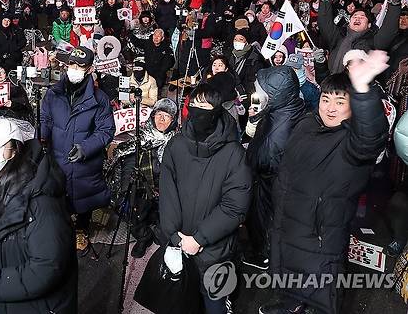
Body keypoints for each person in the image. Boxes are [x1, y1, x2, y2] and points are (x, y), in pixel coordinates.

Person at [260, 51, 390, 314]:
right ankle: (291, 304)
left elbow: (371, 137)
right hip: (288, 224)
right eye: (325, 99)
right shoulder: (307, 124)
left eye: (340, 102)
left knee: (321, 289)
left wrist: (363, 91)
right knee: (288, 274)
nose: (330, 107)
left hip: (320, 237)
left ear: (353, 106)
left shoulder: (352, 142)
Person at [0, 118, 78, 314]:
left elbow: (45, 269)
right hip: (2, 292)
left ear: (16, 149)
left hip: (29, 305)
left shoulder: (41, 201)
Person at [159, 83, 251, 314]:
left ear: (218, 110)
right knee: (181, 298)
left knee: (215, 302)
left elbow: (235, 206)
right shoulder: (176, 145)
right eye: (196, 104)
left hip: (216, 248)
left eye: (207, 105)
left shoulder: (234, 154)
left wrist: (199, 239)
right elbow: (167, 192)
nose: (200, 110)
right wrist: (173, 234)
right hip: (179, 241)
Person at [40, 46, 115, 251]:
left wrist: (86, 147)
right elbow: (45, 118)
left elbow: (106, 130)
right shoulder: (53, 94)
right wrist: (42, 139)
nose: (74, 68)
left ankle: (81, 229)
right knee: (58, 197)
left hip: (85, 162)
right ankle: (63, 229)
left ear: (89, 69)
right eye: (71, 64)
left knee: (84, 199)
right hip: (57, 158)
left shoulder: (100, 100)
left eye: (80, 65)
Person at [243, 66, 305, 271]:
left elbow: (260, 159)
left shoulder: (275, 135)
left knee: (264, 221)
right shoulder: (291, 107)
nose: (257, 94)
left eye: (261, 91)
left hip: (268, 186)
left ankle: (263, 255)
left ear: (275, 94)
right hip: (284, 185)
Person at [112, 98, 178, 257]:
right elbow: (127, 162)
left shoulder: (177, 140)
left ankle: (158, 227)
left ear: (173, 120)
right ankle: (143, 236)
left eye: (167, 116)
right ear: (153, 115)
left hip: (166, 189)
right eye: (159, 114)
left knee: (165, 234)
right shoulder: (140, 137)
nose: (162, 119)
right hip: (143, 187)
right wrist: (126, 188)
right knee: (132, 209)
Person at [317, 0, 401, 74]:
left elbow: (388, 31)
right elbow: (324, 23)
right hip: (333, 83)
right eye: (355, 17)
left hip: (357, 86)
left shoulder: (373, 41)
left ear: (369, 25)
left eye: (362, 17)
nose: (357, 19)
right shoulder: (338, 36)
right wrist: (324, 2)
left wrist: (394, 5)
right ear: (349, 21)